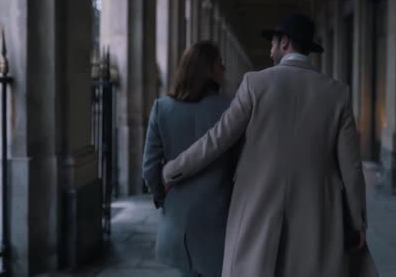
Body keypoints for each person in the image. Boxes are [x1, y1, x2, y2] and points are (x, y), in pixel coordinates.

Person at [162, 14, 377, 277]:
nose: (270, 48)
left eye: (273, 42)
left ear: (285, 42)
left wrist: (172, 170)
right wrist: (358, 221)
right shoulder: (337, 93)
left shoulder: (255, 83)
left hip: (256, 207)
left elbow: (216, 140)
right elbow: (351, 168)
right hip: (317, 213)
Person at [142, 41, 239, 277]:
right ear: (208, 70)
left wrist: (162, 198)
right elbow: (240, 166)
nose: (224, 68)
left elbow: (149, 168)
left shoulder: (161, 108)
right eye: (219, 63)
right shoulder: (231, 109)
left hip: (178, 221)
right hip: (219, 220)